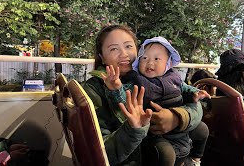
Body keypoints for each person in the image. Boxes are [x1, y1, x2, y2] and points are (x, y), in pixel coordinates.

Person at [82, 25, 203, 166]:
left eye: (128, 46)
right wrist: (133, 129)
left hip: (178, 143)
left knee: (201, 130)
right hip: (143, 156)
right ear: (102, 57)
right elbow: (99, 152)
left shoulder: (152, 74)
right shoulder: (94, 90)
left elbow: (194, 103)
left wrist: (178, 117)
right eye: (114, 49)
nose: (124, 54)